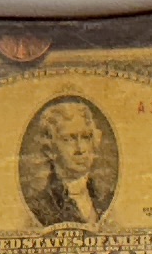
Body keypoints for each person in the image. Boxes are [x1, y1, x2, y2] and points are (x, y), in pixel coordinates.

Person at [17, 92, 121, 225]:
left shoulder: (104, 199)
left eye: (86, 137)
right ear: (50, 151)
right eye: (68, 139)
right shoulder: (39, 207)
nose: (80, 149)